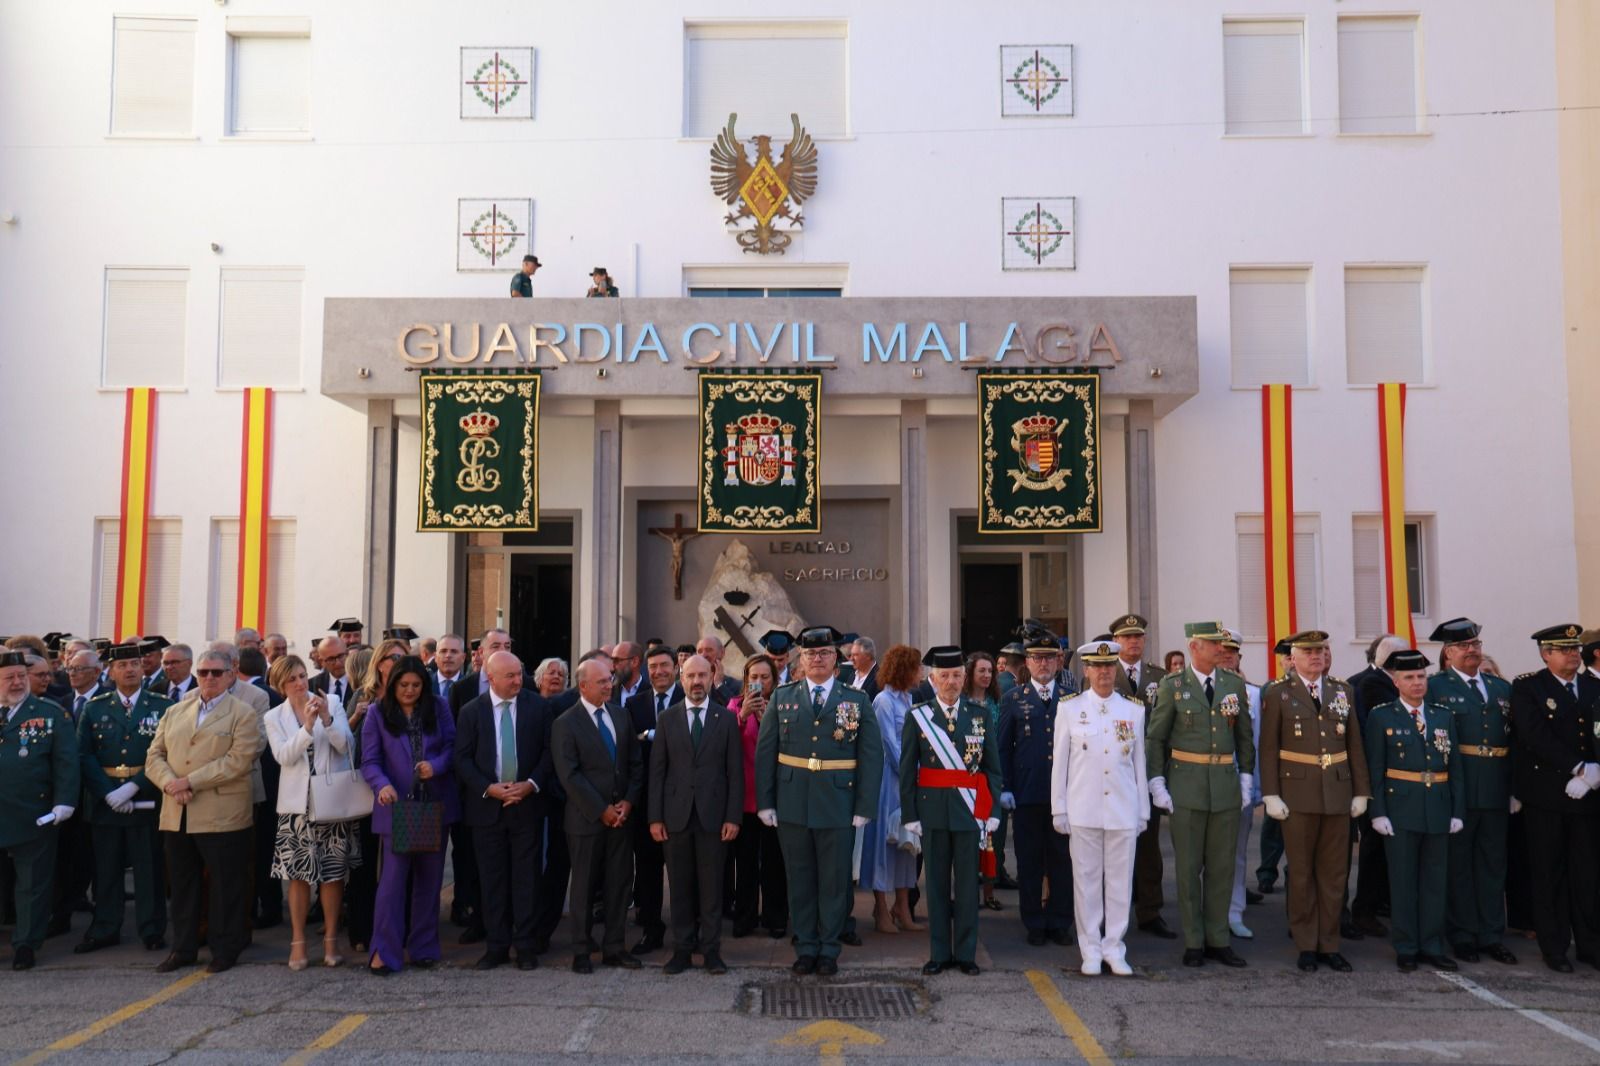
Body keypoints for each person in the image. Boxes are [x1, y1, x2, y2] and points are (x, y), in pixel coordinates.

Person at [755, 625, 883, 977]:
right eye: (810, 654)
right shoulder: (783, 697)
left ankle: (829, 948)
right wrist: (766, 802)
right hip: (793, 801)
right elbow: (766, 753)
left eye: (824, 653)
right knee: (799, 879)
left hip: (838, 803)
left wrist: (864, 806)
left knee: (833, 880)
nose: (817, 659)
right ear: (802, 658)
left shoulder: (855, 700)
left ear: (836, 657)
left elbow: (871, 756)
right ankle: (806, 945)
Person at [1258, 630, 1370, 973]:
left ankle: (1330, 943)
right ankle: (1306, 944)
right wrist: (1271, 793)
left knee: (1335, 874)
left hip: (1337, 791)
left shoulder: (1342, 690)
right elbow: (1268, 747)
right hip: (1297, 794)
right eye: (1309, 652)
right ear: (1294, 657)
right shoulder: (1279, 693)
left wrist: (1361, 790)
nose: (1316, 656)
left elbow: (1354, 743)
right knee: (1302, 873)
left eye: (1321, 650)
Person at [1147, 621, 1254, 968]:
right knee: (1189, 868)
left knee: (1222, 867)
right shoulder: (1172, 686)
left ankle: (1218, 938)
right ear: (1195, 647)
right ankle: (1194, 940)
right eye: (1213, 644)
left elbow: (1244, 738)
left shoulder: (1233, 685)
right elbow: (1157, 737)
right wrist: (1156, 781)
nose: (1221, 649)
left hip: (1224, 786)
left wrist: (1246, 777)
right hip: (1186, 786)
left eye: (1222, 645)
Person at [145, 648, 259, 974]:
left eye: (216, 672)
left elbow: (238, 761)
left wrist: (189, 781)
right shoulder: (176, 711)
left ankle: (226, 948)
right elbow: (155, 755)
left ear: (230, 675)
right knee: (182, 886)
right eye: (203, 672)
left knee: (226, 886)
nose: (209, 678)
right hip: (177, 811)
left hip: (221, 813)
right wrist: (169, 783)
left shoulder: (243, 713)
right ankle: (184, 948)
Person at [901, 646, 1001, 976]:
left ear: (964, 678)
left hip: (969, 812)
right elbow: (907, 770)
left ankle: (967, 953)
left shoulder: (980, 714)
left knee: (968, 888)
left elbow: (992, 768)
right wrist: (910, 815)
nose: (952, 681)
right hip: (932, 812)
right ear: (932, 679)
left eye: (957, 675)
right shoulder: (918, 716)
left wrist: (993, 811)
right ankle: (940, 952)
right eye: (945, 676)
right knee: (938, 886)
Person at [1366, 648, 1465, 972]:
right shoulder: (1382, 716)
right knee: (1404, 881)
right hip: (1400, 809)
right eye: (1409, 677)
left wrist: (1456, 811)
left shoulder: (1442, 716)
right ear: (1396, 682)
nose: (1417, 683)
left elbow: (1456, 768)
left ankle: (1432, 945)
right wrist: (1377, 812)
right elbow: (1375, 768)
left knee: (1435, 882)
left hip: (1437, 806)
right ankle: (1406, 945)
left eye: (1421, 676)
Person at [1053, 640, 1149, 975]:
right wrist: (1059, 809)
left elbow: (1139, 765)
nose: (1105, 673)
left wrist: (1142, 812)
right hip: (1083, 808)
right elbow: (1060, 764)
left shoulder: (1133, 710)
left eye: (1110, 667)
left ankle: (1114, 947)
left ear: (1116, 669)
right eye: (1098, 666)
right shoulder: (1069, 709)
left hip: (1122, 808)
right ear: (1087, 670)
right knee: (1087, 881)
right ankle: (1090, 948)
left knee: (1120, 883)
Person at [1508, 624, 1600, 972]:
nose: (1573, 655)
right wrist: (1577, 766)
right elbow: (1533, 735)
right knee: (1549, 874)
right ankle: (1555, 947)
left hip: (1589, 795)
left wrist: (1596, 773)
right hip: (1546, 795)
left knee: (1588, 874)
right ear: (1546, 654)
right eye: (1564, 649)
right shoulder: (1529, 687)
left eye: (1575, 648)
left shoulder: (1594, 686)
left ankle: (1590, 944)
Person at [455, 651, 554, 972]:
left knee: (526, 879)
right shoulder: (472, 712)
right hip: (487, 809)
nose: (517, 680)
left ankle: (525, 945)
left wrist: (531, 784)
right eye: (509, 676)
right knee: (492, 880)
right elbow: (463, 759)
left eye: (519, 673)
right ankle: (496, 946)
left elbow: (549, 752)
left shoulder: (539, 707)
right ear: (491, 678)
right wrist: (490, 788)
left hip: (527, 805)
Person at [1427, 618, 1517, 965]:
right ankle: (1463, 934)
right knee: (1459, 866)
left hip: (1495, 786)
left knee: (1493, 865)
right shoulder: (1436, 687)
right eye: (1464, 646)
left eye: (1476, 644)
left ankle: (1492, 934)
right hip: (1458, 786)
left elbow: (1512, 738)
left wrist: (1514, 788)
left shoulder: (1500, 688)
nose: (1472, 650)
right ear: (1448, 653)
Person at [263, 654, 362, 970]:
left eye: (303, 676)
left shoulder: (330, 701)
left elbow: (346, 746)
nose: (300, 683)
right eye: (292, 679)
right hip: (295, 807)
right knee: (297, 877)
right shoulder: (274, 716)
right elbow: (283, 756)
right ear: (281, 685)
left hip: (330, 802)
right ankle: (298, 941)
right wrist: (306, 726)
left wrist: (327, 721)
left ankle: (331, 940)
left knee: (333, 875)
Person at [361, 656, 458, 975]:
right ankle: (384, 952)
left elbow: (452, 748)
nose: (410, 690)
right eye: (404, 685)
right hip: (396, 807)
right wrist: (382, 785)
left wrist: (438, 766)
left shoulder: (439, 707)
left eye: (416, 685)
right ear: (393, 684)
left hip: (433, 805)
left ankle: (424, 948)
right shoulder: (377, 713)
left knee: (429, 881)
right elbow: (370, 761)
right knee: (391, 884)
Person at [74, 642, 171, 954]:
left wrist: (135, 787)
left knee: (149, 868)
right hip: (106, 802)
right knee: (107, 869)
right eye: (122, 665)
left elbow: (167, 752)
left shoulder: (161, 706)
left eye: (135, 664)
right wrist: (108, 792)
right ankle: (105, 927)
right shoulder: (95, 707)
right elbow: (84, 755)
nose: (130, 670)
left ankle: (152, 928)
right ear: (110, 671)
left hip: (146, 798)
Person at [650, 655, 742, 975]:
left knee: (712, 887)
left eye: (703, 675)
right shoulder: (667, 719)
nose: (697, 681)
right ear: (681, 678)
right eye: (691, 676)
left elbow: (735, 773)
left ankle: (712, 950)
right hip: (675, 817)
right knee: (680, 886)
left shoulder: (725, 719)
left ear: (712, 675)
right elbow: (657, 772)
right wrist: (655, 818)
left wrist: (733, 817)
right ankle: (682, 950)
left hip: (714, 818)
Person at [554, 658, 643, 973]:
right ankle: (581, 950)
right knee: (584, 887)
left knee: (619, 885)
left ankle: (615, 948)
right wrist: (601, 810)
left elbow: (635, 763)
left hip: (621, 818)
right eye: (602, 681)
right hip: (586, 821)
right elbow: (570, 775)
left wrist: (628, 803)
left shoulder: (621, 715)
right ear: (583, 686)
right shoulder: (566, 722)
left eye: (610, 680)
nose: (609, 685)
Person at [997, 623, 1075, 947]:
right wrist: (1005, 788)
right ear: (1026, 663)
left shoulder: (1073, 700)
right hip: (1028, 794)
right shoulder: (1013, 699)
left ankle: (1060, 921)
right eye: (1036, 658)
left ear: (1058, 661)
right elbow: (1003, 746)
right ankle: (1034, 922)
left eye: (1048, 658)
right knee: (1029, 860)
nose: (1043, 664)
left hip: (1066, 795)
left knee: (1062, 861)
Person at [0, 650, 79, 970]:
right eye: (9, 678)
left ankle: (26, 944)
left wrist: (64, 802)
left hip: (33, 812)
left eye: (22, 675)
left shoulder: (50, 714)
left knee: (33, 883)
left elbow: (66, 763)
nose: (17, 682)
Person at [1108, 614, 1174, 939]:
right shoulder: (1103, 673)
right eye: (1127, 637)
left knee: (1149, 846)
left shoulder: (1159, 677)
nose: (1134, 642)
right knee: (1116, 845)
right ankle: (1115, 912)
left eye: (1139, 637)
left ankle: (1150, 910)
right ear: (1116, 641)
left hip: (1147, 771)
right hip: (1115, 774)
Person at [623, 644, 680, 955]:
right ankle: (651, 929)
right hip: (647, 801)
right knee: (647, 869)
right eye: (653, 666)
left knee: (684, 870)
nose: (659, 672)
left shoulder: (691, 698)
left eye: (664, 666)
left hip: (685, 800)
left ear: (675, 668)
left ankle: (687, 929)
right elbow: (631, 753)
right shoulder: (635, 705)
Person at [863, 645, 923, 934]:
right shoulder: (884, 701)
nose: (921, 674)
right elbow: (889, 743)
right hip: (890, 779)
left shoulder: (909, 699)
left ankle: (902, 905)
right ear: (905, 670)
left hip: (909, 778)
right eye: (917, 668)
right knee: (885, 842)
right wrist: (911, 773)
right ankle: (880, 908)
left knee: (906, 842)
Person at [730, 654, 787, 939]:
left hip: (774, 796)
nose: (759, 682)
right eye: (754, 677)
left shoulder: (783, 705)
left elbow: (786, 746)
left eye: (765, 677)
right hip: (744, 796)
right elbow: (726, 742)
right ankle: (745, 917)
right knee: (746, 861)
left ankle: (776, 917)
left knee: (775, 862)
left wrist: (767, 720)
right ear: (746, 679)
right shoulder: (734, 706)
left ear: (773, 680)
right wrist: (742, 717)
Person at [1218, 630, 1262, 940]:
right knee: (1205, 856)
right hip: (1207, 782)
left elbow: (1256, 743)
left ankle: (1234, 911)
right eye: (1220, 651)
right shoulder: (1200, 689)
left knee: (1237, 853)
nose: (1226, 657)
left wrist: (1256, 787)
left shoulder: (1254, 694)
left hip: (1240, 785)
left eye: (1231, 652)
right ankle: (1211, 913)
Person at [963, 651, 1006, 911]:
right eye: (982, 671)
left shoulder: (996, 703)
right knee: (968, 839)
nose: (987, 676)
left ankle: (989, 890)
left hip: (991, 775)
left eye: (990, 671)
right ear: (971, 674)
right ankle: (969, 893)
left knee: (992, 837)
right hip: (968, 777)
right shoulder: (962, 702)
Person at [309, 637, 354, 706]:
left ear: (347, 654)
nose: (338, 663)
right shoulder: (312, 686)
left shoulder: (361, 682)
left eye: (341, 656)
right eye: (331, 659)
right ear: (322, 661)